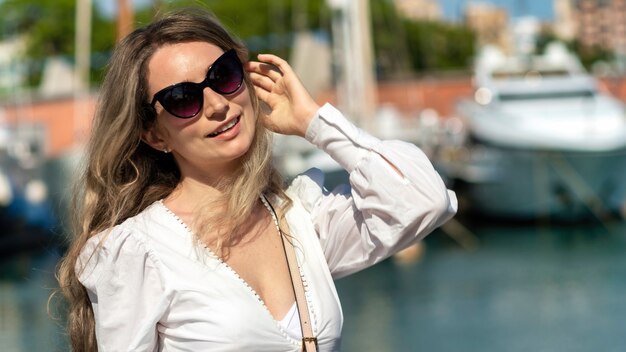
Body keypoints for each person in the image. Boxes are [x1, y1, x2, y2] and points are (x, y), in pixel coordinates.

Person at [57, 8, 457, 352]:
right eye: (183, 98)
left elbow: (424, 201)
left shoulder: (303, 220)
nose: (216, 104)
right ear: (155, 134)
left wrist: (314, 123)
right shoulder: (139, 250)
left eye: (223, 74)